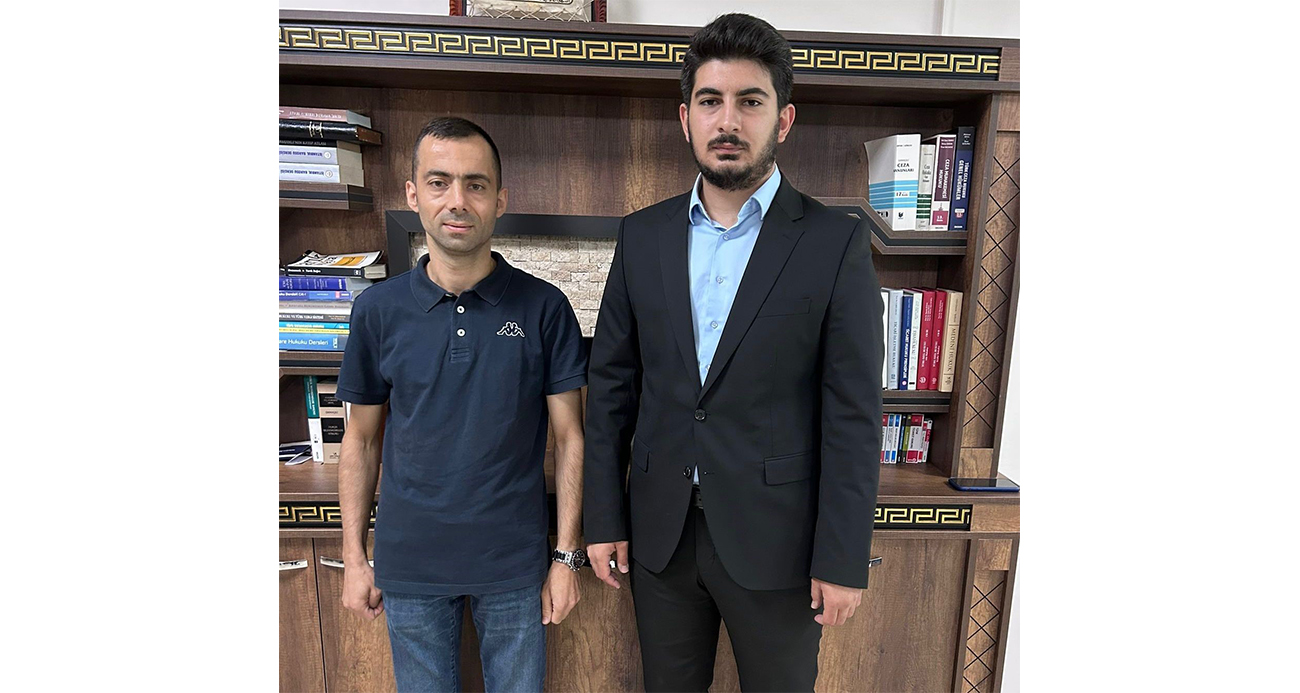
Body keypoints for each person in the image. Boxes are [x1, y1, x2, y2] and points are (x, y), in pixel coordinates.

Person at [582, 14, 885, 691]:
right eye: (710, 101)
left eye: (750, 101)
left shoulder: (834, 243)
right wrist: (603, 517)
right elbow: (611, 390)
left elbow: (854, 415)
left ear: (783, 120)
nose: (728, 121)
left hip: (781, 545)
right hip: (659, 539)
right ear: (685, 117)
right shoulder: (641, 236)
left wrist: (843, 557)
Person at [335, 116, 590, 692]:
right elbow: (361, 439)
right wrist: (354, 558)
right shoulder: (376, 311)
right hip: (409, 563)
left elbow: (571, 436)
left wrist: (565, 557)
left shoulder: (544, 308)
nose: (457, 200)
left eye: (475, 184)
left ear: (499, 200)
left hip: (514, 563)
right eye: (439, 182)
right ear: (413, 195)